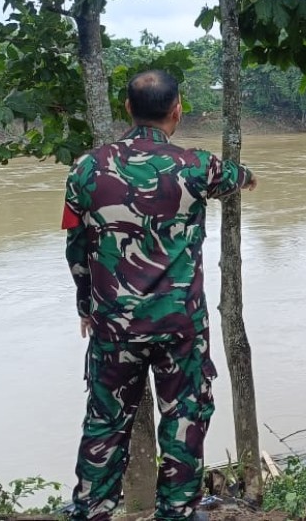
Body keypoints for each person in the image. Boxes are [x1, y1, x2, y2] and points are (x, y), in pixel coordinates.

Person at [62, 69, 256, 521]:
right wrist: (245, 180)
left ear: (126, 108)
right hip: (180, 326)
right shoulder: (197, 167)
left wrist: (86, 305)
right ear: (177, 110)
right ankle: (178, 513)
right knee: (184, 418)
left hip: (114, 326)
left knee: (106, 421)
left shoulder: (86, 169)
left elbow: (76, 247)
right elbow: (241, 176)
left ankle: (91, 511)